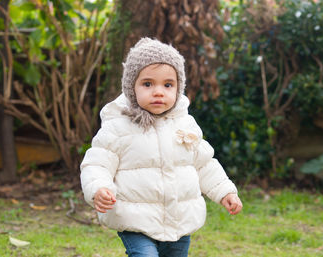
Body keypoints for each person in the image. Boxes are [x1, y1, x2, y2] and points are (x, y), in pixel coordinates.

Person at [80, 37, 243, 257]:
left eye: (168, 85)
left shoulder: (185, 124)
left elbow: (204, 165)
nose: (158, 92)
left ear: (178, 88)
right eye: (148, 84)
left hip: (178, 218)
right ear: (131, 87)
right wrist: (99, 188)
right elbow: (97, 162)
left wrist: (225, 192)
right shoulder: (118, 126)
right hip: (134, 218)